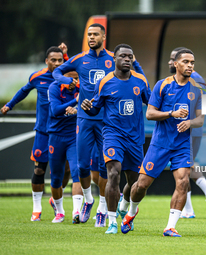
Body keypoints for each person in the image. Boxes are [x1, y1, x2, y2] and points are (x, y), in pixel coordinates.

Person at [53, 24, 145, 226]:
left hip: (107, 122)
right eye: (89, 34)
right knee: (82, 165)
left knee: (108, 170)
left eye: (95, 34)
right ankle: (88, 200)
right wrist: (68, 82)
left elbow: (137, 76)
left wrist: (136, 67)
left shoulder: (115, 57)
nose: (91, 37)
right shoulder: (79, 59)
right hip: (85, 118)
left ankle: (104, 209)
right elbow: (57, 71)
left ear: (104, 36)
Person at [121, 49, 203, 237]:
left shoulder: (197, 89)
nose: (190, 65)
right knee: (141, 185)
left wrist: (190, 122)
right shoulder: (162, 85)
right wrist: (171, 114)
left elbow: (201, 119)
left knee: (182, 182)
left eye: (192, 62)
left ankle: (170, 227)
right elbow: (150, 114)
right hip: (160, 144)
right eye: (186, 62)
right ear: (175, 64)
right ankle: (131, 212)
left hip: (182, 145)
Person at [81, 44, 151, 234]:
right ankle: (112, 222)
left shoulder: (140, 81)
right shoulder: (104, 82)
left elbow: (151, 103)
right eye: (123, 56)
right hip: (113, 135)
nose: (127, 59)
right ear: (115, 59)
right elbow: (95, 107)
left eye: (130, 56)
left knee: (135, 182)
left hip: (135, 138)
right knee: (113, 173)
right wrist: (88, 107)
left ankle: (125, 206)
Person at [1, 45, 69, 221]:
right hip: (44, 131)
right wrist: (10, 104)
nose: (56, 63)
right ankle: (36, 209)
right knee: (39, 170)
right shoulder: (38, 77)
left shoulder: (68, 77)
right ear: (46, 61)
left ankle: (56, 199)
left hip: (63, 131)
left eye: (60, 60)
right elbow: (24, 90)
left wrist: (67, 55)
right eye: (53, 60)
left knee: (66, 171)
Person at [169, 47, 206, 218]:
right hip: (188, 129)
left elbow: (199, 106)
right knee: (185, 168)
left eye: (172, 59)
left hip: (189, 129)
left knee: (184, 167)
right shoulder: (189, 78)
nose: (170, 62)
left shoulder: (193, 79)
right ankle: (188, 209)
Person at [48, 71, 83, 223]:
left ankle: (76, 212)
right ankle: (59, 212)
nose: (74, 80)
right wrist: (74, 101)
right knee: (56, 177)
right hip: (55, 136)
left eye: (76, 77)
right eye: (71, 77)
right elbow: (55, 111)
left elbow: (91, 109)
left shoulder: (82, 88)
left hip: (74, 136)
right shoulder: (54, 87)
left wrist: (76, 110)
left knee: (77, 172)